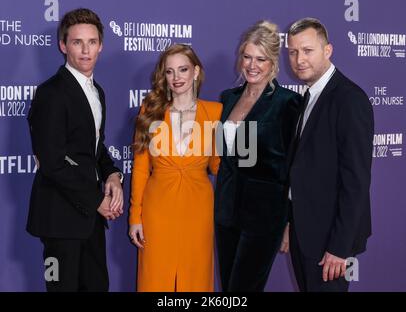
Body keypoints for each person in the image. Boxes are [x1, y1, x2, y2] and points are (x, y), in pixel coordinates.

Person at [27, 8, 124, 292]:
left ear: (101, 46)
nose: (85, 50)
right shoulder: (51, 93)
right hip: (59, 220)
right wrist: (96, 200)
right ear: (63, 45)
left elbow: (94, 148)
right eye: (77, 42)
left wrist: (114, 174)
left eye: (92, 42)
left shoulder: (97, 91)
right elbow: (52, 162)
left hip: (89, 220)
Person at [286, 17, 374, 292]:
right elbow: (302, 168)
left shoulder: (349, 99)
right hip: (305, 233)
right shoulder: (308, 97)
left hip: (330, 244)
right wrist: (291, 222)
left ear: (328, 50)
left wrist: (339, 247)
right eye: (293, 52)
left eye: (308, 50)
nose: (299, 59)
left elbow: (356, 182)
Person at [214, 20, 301, 292]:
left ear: (273, 61)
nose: (252, 65)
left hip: (265, 215)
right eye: (247, 57)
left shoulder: (287, 103)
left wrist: (290, 221)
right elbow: (222, 155)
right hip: (226, 211)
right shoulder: (228, 98)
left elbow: (294, 166)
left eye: (260, 59)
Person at [129, 44, 222, 292]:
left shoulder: (215, 112)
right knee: (155, 279)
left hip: (199, 210)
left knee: (196, 279)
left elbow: (219, 167)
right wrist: (135, 216)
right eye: (170, 72)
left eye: (183, 69)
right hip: (157, 210)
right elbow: (140, 168)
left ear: (196, 71)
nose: (176, 77)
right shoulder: (150, 110)